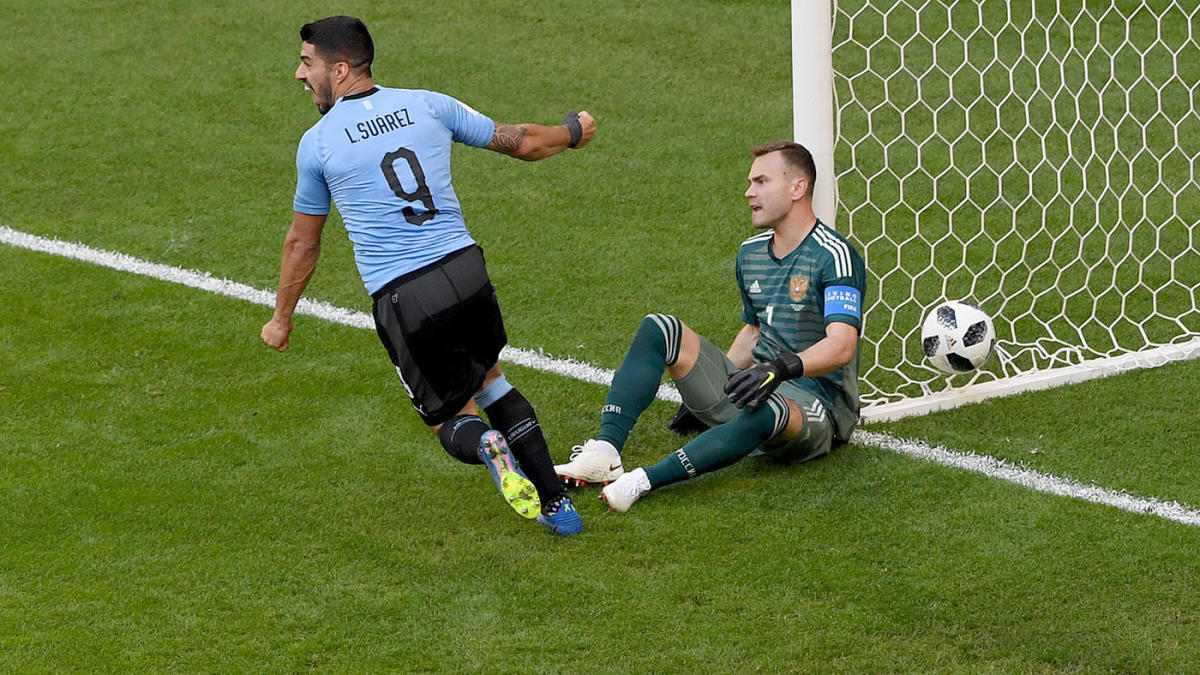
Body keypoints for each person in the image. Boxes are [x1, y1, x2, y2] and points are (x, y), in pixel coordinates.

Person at [261, 16, 595, 535]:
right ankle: (557, 505)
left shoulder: (319, 143)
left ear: (341, 69)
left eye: (308, 64)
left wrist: (281, 319)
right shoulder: (428, 104)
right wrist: (572, 132)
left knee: (450, 419)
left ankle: (487, 445)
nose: (299, 75)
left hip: (404, 295)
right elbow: (521, 141)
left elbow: (303, 241)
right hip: (466, 271)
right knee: (492, 381)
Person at [555, 141, 865, 512]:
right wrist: (720, 390)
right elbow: (754, 331)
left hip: (817, 406)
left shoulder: (835, 255)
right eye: (750, 182)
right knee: (660, 328)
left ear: (798, 188)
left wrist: (779, 370)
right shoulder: (750, 253)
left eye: (761, 181)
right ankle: (605, 451)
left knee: (768, 409)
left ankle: (645, 480)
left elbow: (842, 344)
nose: (749, 192)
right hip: (758, 386)